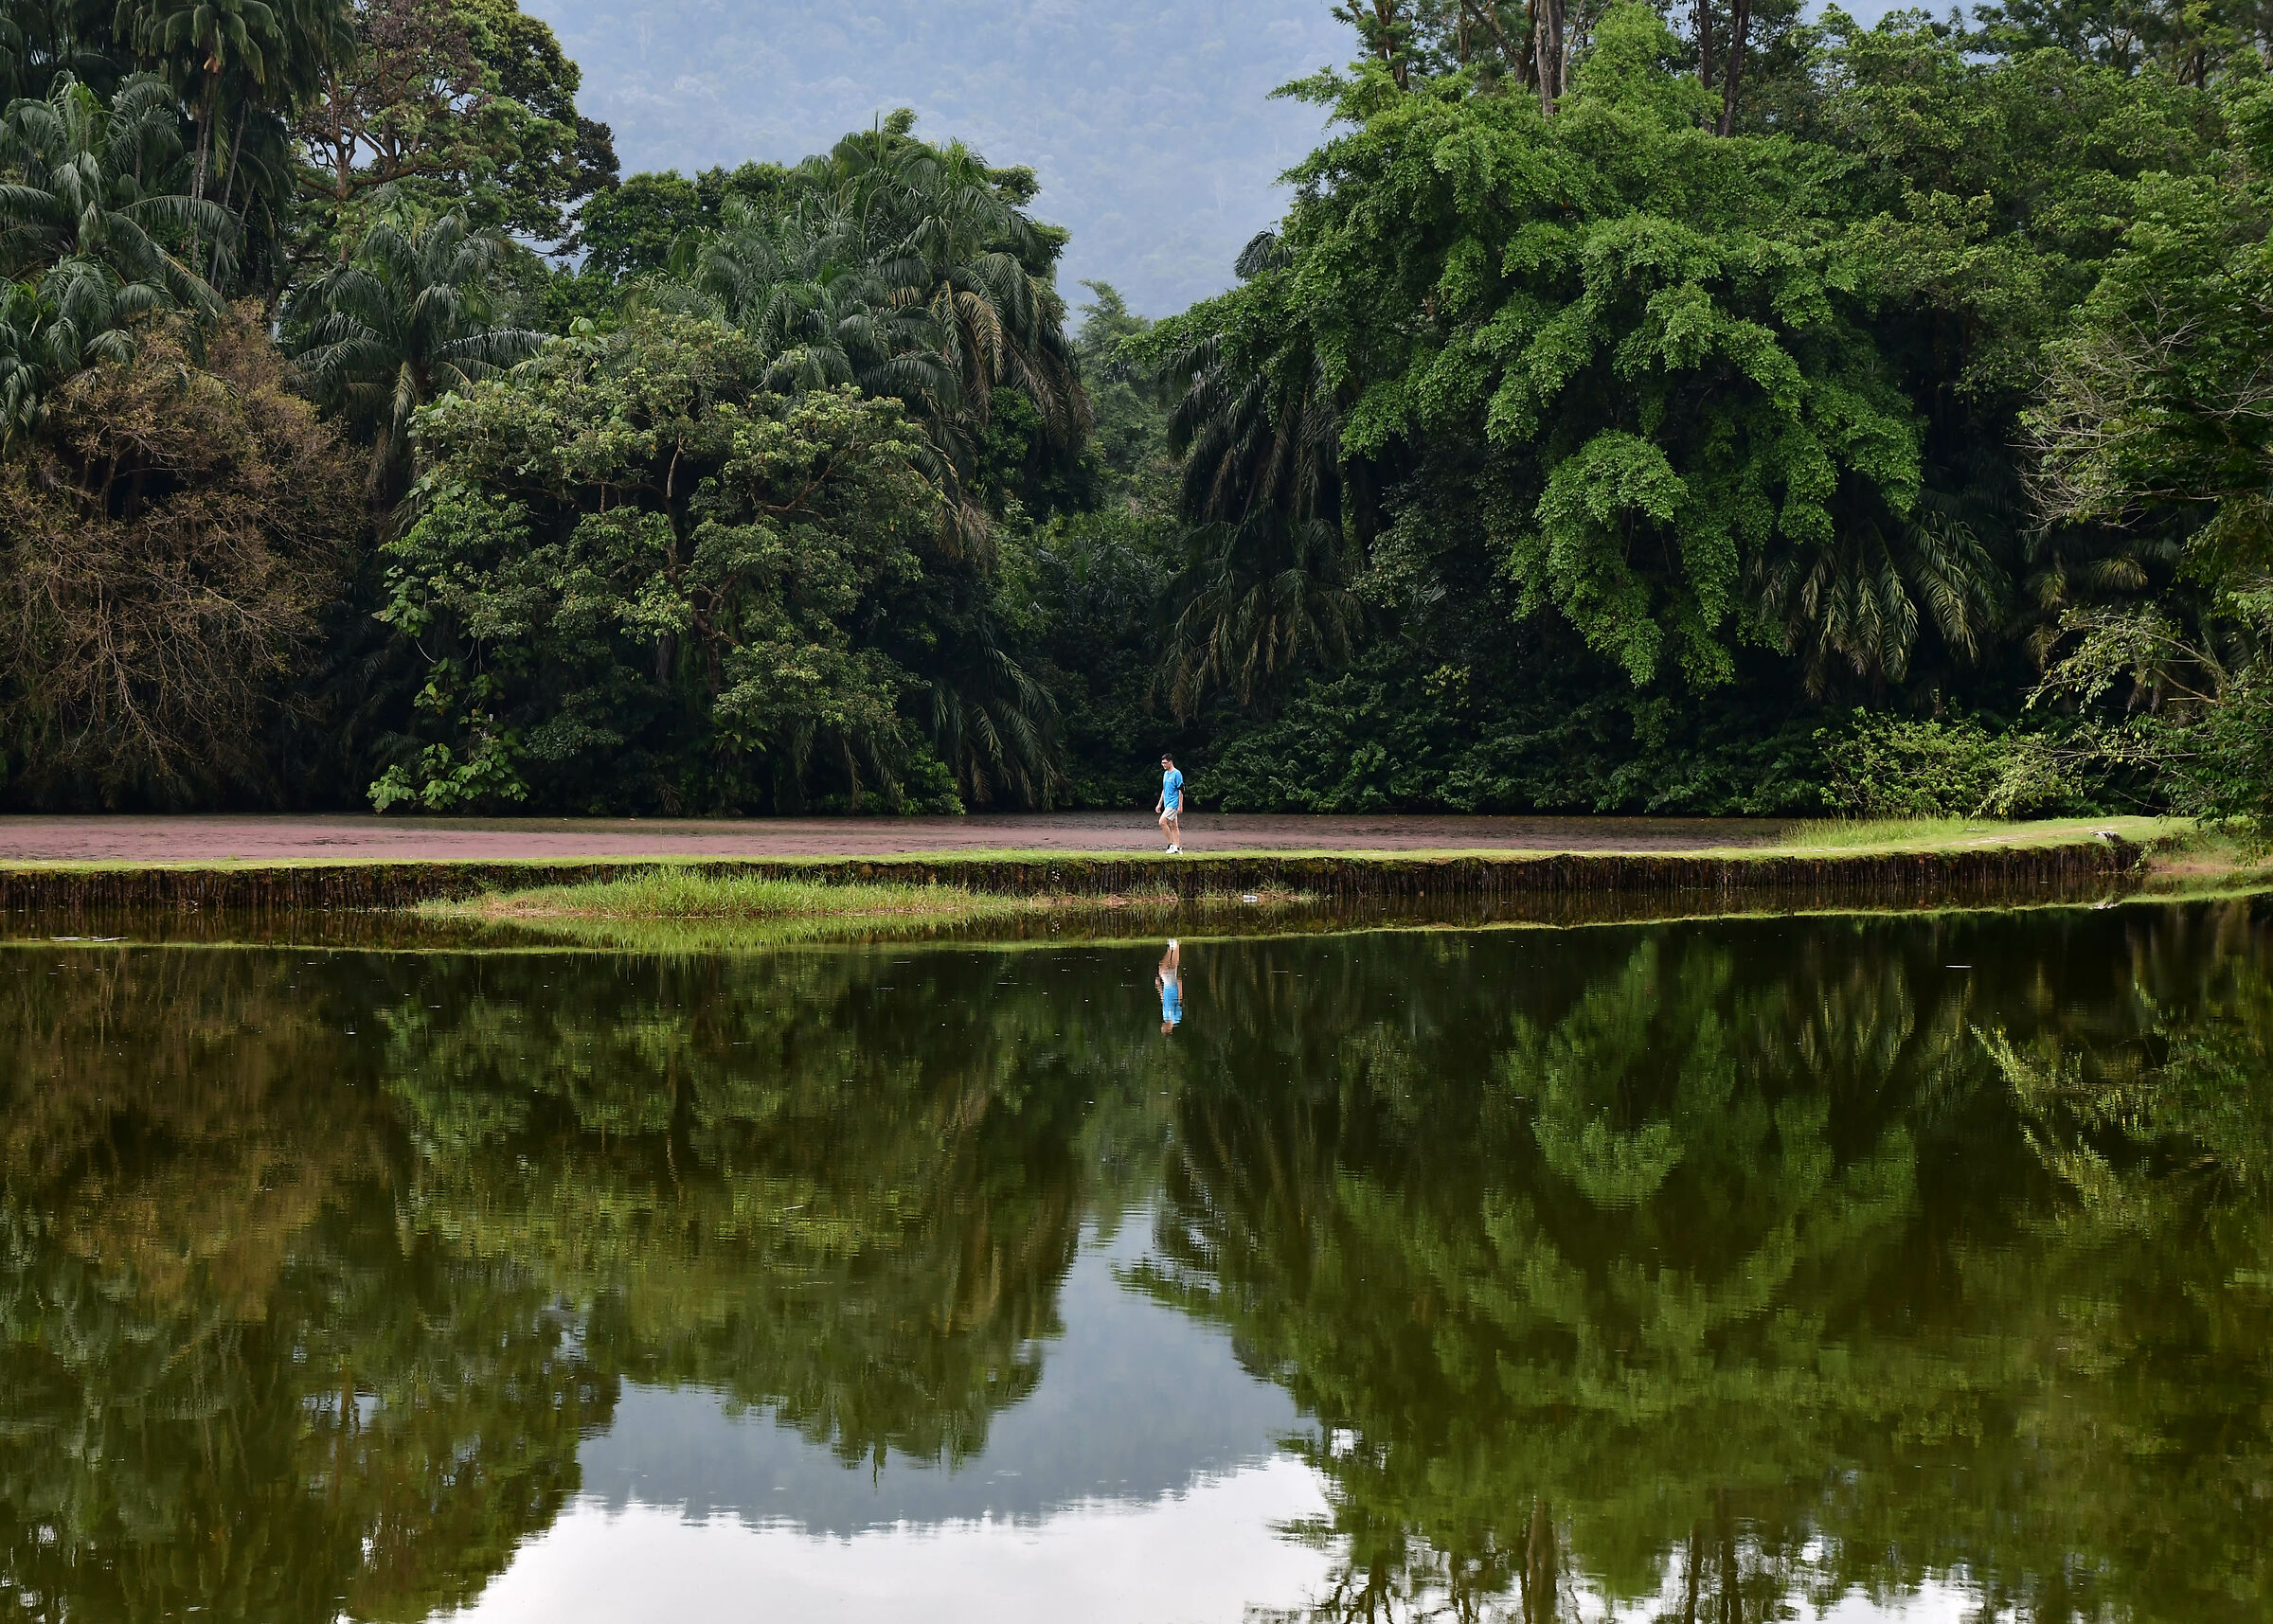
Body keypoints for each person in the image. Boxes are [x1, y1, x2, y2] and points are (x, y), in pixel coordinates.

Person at [1155, 752, 1184, 854]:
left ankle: (1170, 845)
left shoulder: (1177, 773)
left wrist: (1180, 805)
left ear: (1170, 762)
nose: (1163, 765)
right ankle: (1178, 848)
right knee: (1174, 826)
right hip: (1167, 803)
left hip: (1174, 803)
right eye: (1162, 763)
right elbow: (1164, 789)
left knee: (1162, 822)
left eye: (1165, 763)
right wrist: (1159, 804)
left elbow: (1181, 790)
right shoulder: (1165, 774)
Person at [1156, 938, 1182, 1033]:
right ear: (1168, 1029)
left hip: (1167, 987)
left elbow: (1164, 1001)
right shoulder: (1176, 1018)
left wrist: (1159, 987)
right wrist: (1180, 985)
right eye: (1163, 1028)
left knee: (1173, 965)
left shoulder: (1165, 1016)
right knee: (1162, 969)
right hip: (1172, 987)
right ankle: (1171, 948)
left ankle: (1176, 944)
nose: (1162, 1025)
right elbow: (1179, 1000)